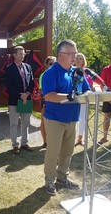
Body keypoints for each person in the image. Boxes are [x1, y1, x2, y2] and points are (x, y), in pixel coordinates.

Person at [42, 40, 90, 196]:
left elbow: (86, 91)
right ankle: (49, 180)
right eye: (70, 53)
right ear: (60, 55)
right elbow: (49, 96)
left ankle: (62, 177)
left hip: (72, 118)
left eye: (75, 53)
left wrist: (89, 94)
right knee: (53, 152)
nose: (74, 57)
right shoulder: (51, 73)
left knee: (67, 151)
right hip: (55, 119)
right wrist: (70, 97)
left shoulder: (77, 72)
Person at [5, 46, 34, 154]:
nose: (23, 55)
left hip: (27, 99)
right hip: (14, 101)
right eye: (20, 53)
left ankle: (24, 143)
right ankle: (15, 145)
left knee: (26, 122)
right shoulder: (9, 68)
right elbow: (9, 86)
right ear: (14, 55)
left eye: (23, 53)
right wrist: (20, 95)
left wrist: (27, 94)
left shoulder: (28, 67)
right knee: (14, 123)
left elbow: (31, 82)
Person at [74, 53, 96, 146]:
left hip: (85, 98)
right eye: (77, 58)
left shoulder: (87, 71)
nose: (79, 60)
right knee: (74, 118)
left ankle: (80, 138)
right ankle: (71, 138)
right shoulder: (71, 70)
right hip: (74, 98)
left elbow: (90, 86)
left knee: (83, 118)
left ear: (83, 60)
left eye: (80, 58)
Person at [39, 56, 56, 148]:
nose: (52, 65)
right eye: (50, 63)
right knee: (44, 122)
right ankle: (45, 142)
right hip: (46, 102)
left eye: (54, 63)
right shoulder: (44, 75)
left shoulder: (57, 74)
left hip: (56, 102)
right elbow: (43, 91)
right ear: (46, 65)